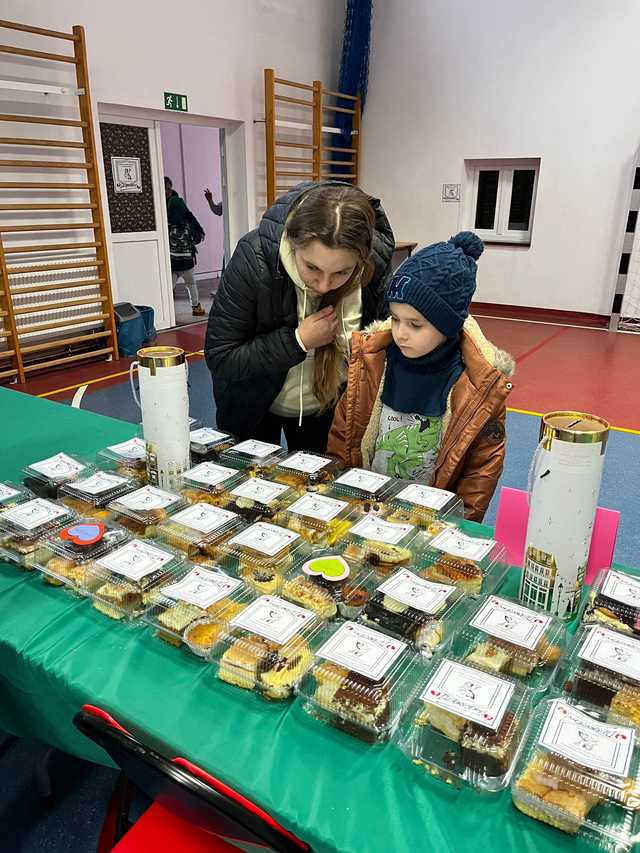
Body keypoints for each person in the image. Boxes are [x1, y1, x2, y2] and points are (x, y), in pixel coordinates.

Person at [327, 232, 514, 521]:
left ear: (447, 325)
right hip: (366, 509)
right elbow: (344, 434)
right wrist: (341, 495)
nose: (401, 332)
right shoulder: (373, 362)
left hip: (429, 521)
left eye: (415, 325)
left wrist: (458, 526)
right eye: (396, 318)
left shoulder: (478, 385)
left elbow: (481, 470)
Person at [204, 181, 395, 450]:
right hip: (253, 407)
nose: (324, 284)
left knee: (319, 484)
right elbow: (221, 357)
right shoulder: (254, 258)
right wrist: (297, 341)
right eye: (312, 267)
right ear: (293, 244)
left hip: (326, 410)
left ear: (361, 259)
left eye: (342, 272)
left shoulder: (374, 264)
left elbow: (383, 343)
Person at [165, 176, 205, 317]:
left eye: (168, 189)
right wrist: (200, 230)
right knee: (190, 283)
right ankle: (195, 307)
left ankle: (165, 311)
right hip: (184, 254)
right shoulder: (178, 202)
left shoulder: (167, 204)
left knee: (172, 284)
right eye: (165, 189)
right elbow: (190, 216)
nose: (167, 191)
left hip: (175, 255)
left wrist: (200, 230)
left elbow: (189, 216)